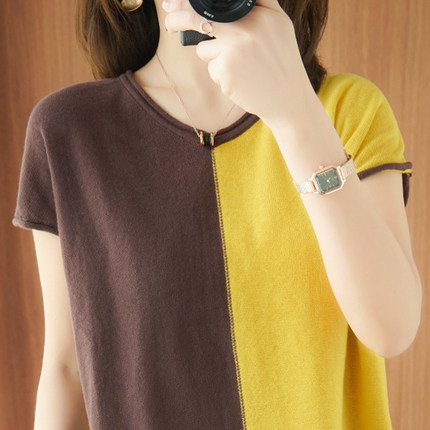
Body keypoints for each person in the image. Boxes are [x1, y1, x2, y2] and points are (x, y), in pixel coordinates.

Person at [12, 0, 422, 428]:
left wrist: (294, 110)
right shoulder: (71, 132)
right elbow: (67, 370)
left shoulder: (345, 111)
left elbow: (391, 329)